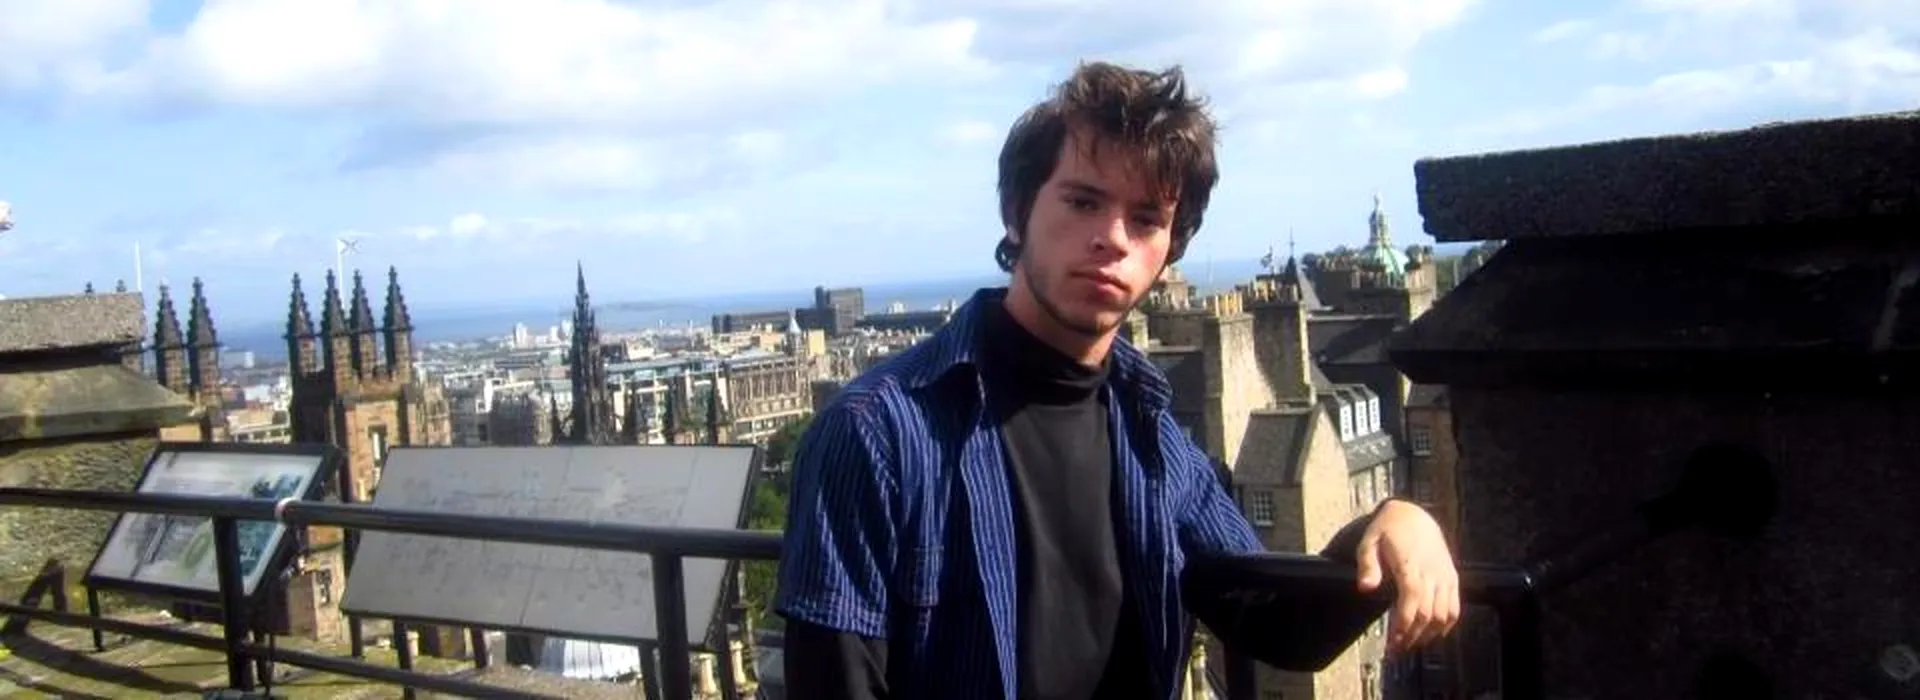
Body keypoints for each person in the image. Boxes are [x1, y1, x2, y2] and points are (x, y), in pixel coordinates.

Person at [774, 61, 1460, 700]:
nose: (1113, 238)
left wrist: (1393, 524)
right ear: (1017, 211)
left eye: (1147, 218)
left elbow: (1279, 624)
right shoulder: (877, 432)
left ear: (1170, 250)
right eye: (1082, 201)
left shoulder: (1151, 429)